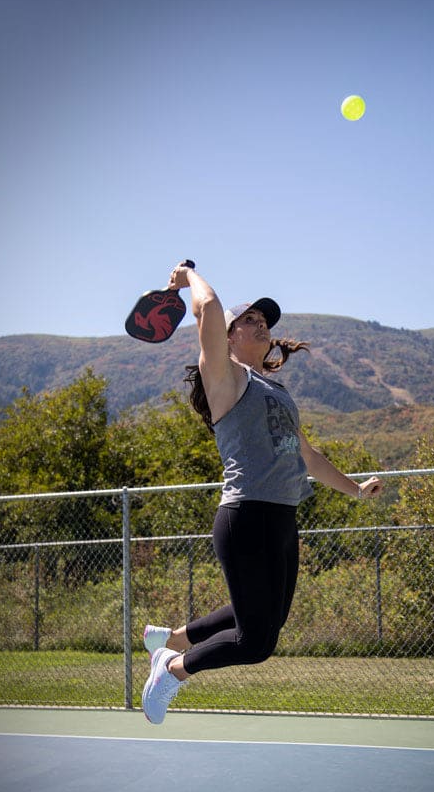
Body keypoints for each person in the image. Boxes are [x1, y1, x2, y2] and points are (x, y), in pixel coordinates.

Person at [141, 263, 382, 723]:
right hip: (246, 515)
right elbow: (208, 307)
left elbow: (307, 456)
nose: (261, 324)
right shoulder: (224, 379)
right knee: (256, 642)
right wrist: (186, 276)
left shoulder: (274, 389)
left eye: (264, 320)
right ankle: (171, 667)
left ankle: (173, 637)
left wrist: (355, 490)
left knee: (265, 618)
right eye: (249, 320)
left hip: (282, 517)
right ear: (228, 337)